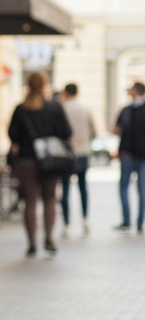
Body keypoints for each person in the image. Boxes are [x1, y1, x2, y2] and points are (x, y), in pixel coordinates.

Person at [7, 71, 73, 256]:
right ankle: (49, 238)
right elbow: (66, 132)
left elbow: (12, 135)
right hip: (50, 161)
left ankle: (31, 243)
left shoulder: (20, 109)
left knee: (29, 202)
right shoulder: (54, 107)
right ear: (45, 85)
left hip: (26, 160)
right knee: (50, 199)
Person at [58, 83, 96, 236]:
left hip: (66, 153)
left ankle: (66, 224)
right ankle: (85, 220)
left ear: (66, 92)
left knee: (65, 189)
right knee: (83, 188)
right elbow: (94, 132)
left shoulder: (62, 108)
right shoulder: (86, 108)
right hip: (83, 152)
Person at [113, 80, 145, 232]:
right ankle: (127, 220)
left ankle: (139, 222)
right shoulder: (126, 110)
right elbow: (118, 128)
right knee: (124, 187)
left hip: (142, 155)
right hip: (127, 153)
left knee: (142, 189)